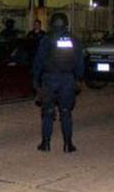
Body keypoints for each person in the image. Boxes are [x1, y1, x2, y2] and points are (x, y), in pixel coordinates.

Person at [32, 12, 84, 153]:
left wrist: (35, 80)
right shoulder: (74, 40)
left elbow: (38, 61)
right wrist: (79, 78)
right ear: (66, 24)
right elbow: (80, 62)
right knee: (66, 112)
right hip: (68, 79)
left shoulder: (47, 39)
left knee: (48, 112)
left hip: (50, 79)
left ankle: (46, 144)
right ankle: (68, 145)